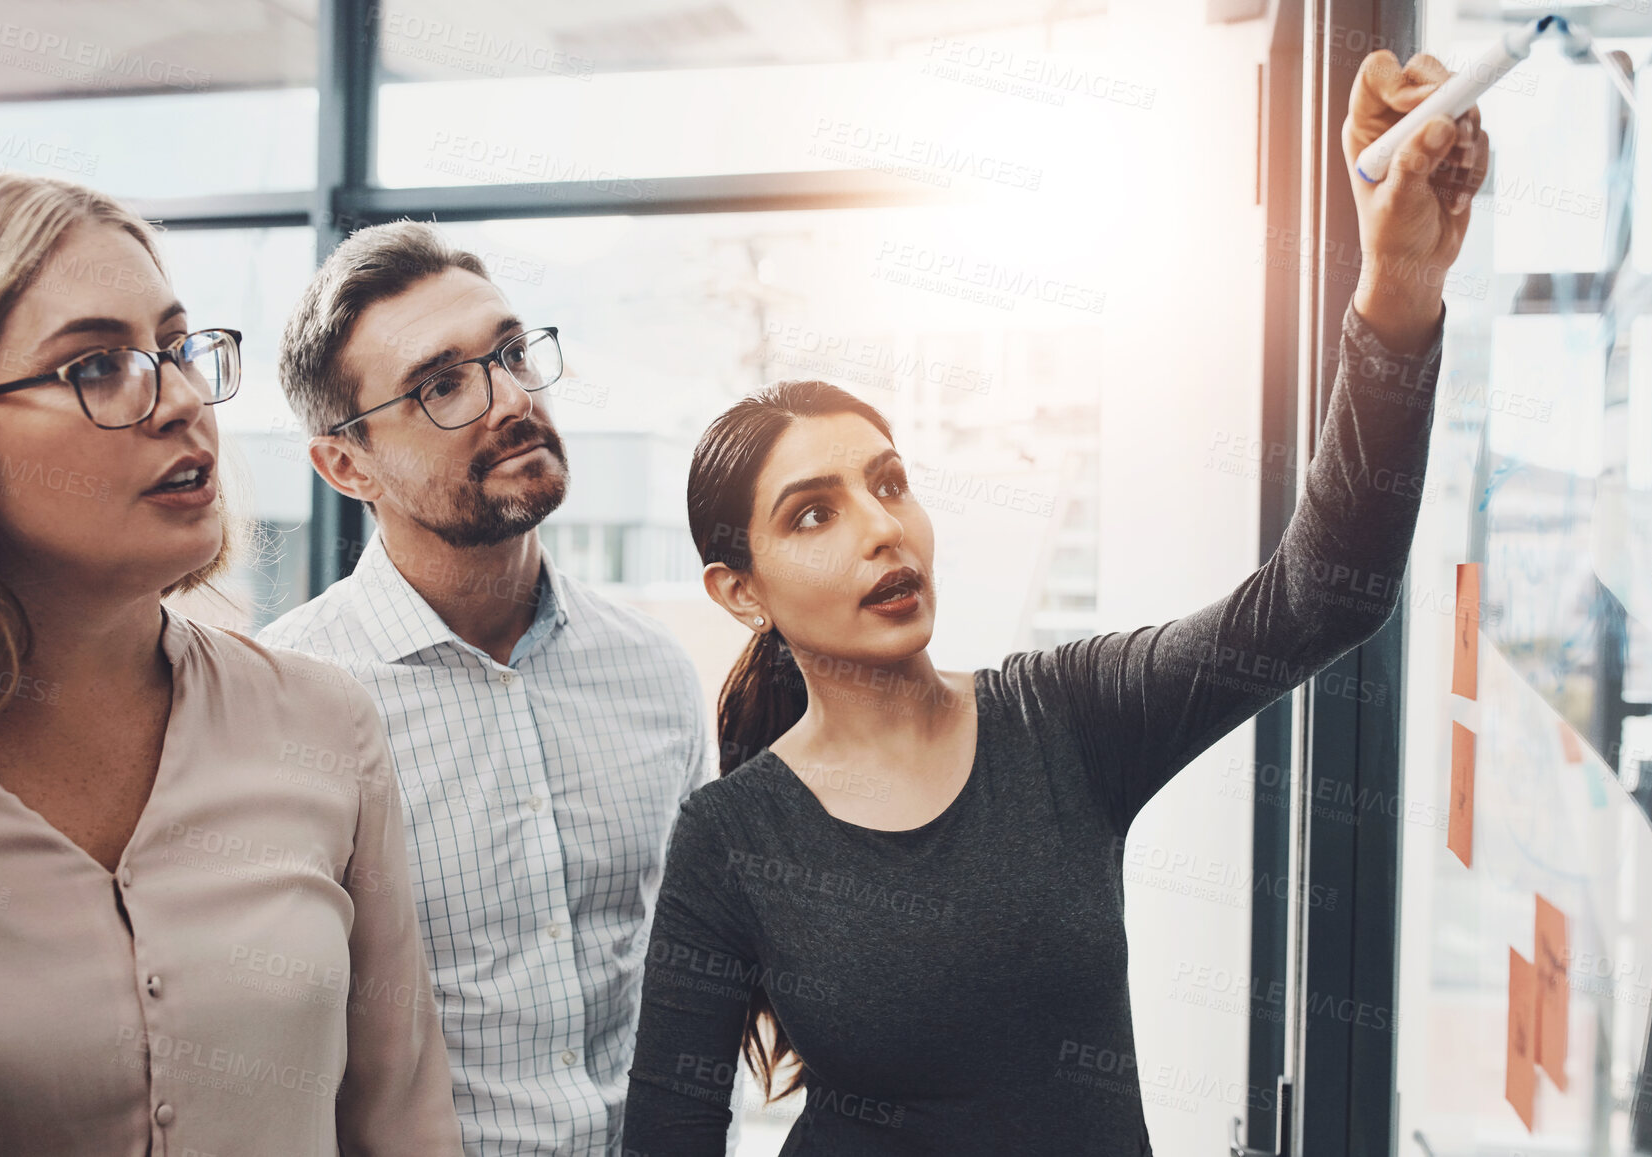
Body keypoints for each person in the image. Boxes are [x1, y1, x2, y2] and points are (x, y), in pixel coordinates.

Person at [622, 49, 1490, 1155]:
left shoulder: (1062, 720)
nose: (882, 525)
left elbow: (1325, 593)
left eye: (888, 482)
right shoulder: (731, 837)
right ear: (737, 592)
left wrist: (1399, 285)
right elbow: (666, 1137)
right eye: (812, 513)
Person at [0, 173, 462, 1156]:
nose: (184, 401)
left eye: (178, 349)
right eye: (100, 365)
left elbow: (403, 1121)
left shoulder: (323, 724)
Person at [257, 221, 717, 1155]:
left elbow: (684, 987)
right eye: (441, 384)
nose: (508, 397)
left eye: (510, 354)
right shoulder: (279, 706)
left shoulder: (653, 672)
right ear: (347, 465)